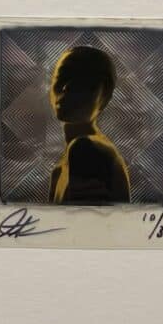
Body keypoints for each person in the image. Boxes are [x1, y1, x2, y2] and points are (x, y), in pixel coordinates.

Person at [48, 45, 131, 205]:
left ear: (105, 95)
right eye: (61, 77)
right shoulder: (59, 169)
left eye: (81, 81)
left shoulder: (85, 148)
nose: (66, 87)